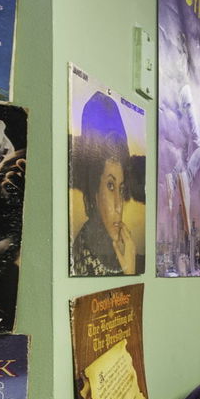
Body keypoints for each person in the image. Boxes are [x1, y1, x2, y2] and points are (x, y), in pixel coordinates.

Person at [71, 91, 141, 276]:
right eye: (110, 186)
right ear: (94, 190)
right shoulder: (84, 260)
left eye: (121, 188)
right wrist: (130, 272)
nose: (119, 206)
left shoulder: (119, 251)